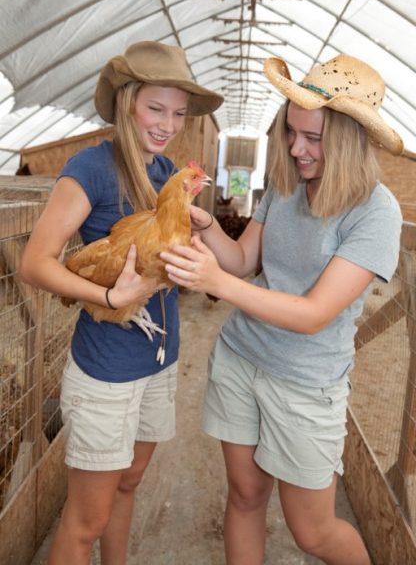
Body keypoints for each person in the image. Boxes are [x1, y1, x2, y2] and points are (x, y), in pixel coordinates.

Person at [160, 53, 403, 565]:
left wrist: (217, 283)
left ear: (349, 139)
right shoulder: (287, 183)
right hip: (242, 358)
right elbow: (245, 259)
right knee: (246, 497)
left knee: (312, 532)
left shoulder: (376, 211)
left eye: (313, 139)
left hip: (305, 380)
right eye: (291, 133)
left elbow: (314, 313)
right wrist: (206, 228)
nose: (297, 149)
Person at [19, 40, 223, 565]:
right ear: (126, 102)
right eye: (156, 108)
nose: (168, 123)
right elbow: (36, 262)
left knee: (128, 485)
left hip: (159, 358)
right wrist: (111, 294)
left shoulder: (165, 174)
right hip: (107, 370)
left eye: (178, 113)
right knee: (85, 520)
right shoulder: (89, 168)